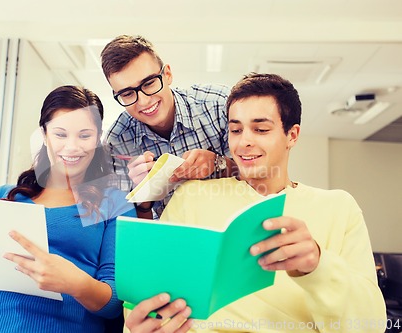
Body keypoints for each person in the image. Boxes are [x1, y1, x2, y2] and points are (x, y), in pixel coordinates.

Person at [125, 73, 386, 333]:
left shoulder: (339, 208)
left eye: (261, 129)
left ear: (292, 135)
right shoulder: (191, 197)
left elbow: (369, 325)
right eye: (236, 130)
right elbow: (147, 297)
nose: (244, 141)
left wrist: (318, 266)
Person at [0, 85, 136, 332]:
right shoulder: (6, 196)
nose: (72, 147)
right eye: (60, 134)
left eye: (84, 136)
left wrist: (75, 283)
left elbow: (115, 305)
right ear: (44, 135)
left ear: (97, 139)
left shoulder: (114, 204)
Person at [101, 35, 237, 217]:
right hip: (168, 240)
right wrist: (142, 200)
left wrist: (219, 163)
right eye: (127, 94)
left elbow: (259, 177)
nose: (143, 101)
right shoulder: (116, 142)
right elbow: (134, 234)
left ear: (167, 75)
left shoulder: (219, 104)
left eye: (149, 83)